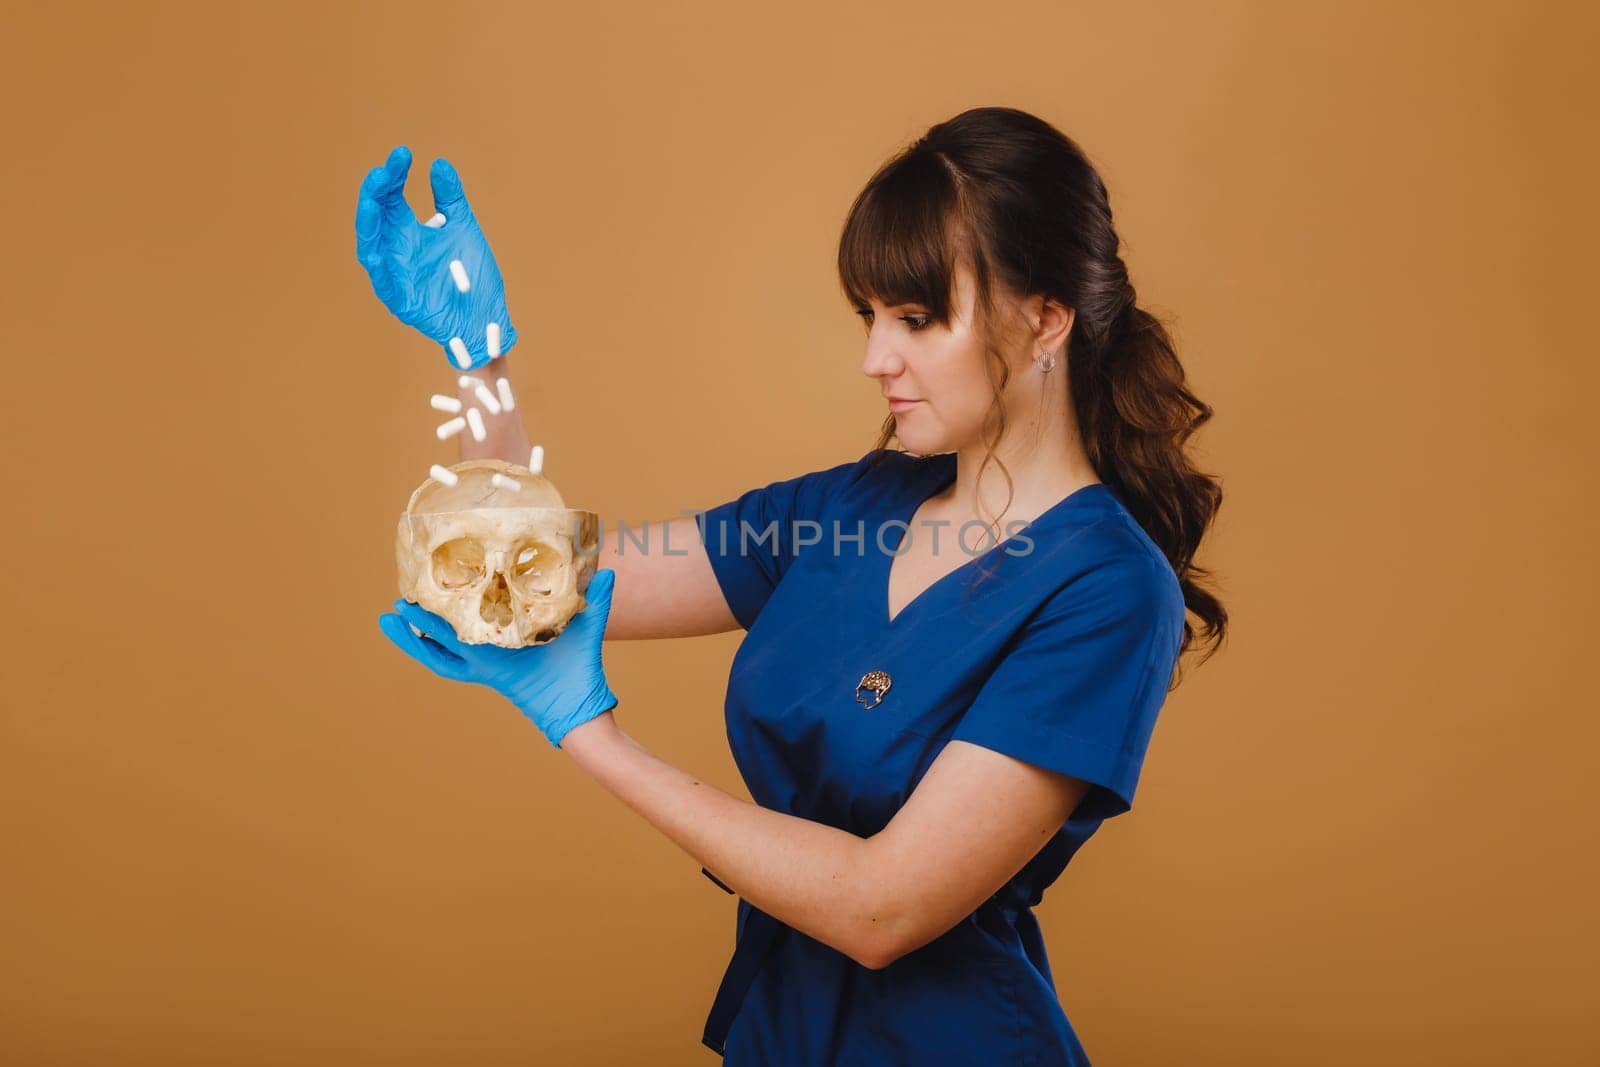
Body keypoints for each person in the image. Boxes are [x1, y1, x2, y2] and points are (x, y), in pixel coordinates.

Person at [358, 105, 1228, 1065]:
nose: (874, 359)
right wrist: (479, 360)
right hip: (780, 1037)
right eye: (869, 317)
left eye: (917, 318)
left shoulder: (1105, 590)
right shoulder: (847, 507)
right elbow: (536, 573)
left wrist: (592, 735)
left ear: (1046, 318)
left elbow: (882, 906)